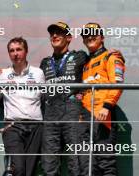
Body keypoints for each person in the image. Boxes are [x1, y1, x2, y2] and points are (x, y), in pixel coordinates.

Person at [0, 37, 45, 176]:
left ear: (26, 51)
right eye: (11, 51)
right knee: (18, 169)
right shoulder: (2, 75)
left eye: (19, 49)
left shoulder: (38, 73)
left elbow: (44, 99)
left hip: (36, 127)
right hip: (13, 127)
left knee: (30, 171)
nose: (15, 53)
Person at [39, 22, 88, 176]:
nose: (54, 36)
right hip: (50, 113)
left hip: (72, 111)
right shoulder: (45, 62)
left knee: (76, 161)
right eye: (52, 33)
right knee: (49, 163)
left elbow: (97, 64)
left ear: (69, 38)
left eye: (59, 33)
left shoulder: (80, 56)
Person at [79, 22, 125, 176]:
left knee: (105, 163)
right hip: (85, 117)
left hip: (102, 115)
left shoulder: (111, 57)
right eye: (86, 34)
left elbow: (117, 84)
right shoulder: (85, 63)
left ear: (102, 37)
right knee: (88, 166)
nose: (90, 36)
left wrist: (106, 106)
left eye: (94, 33)